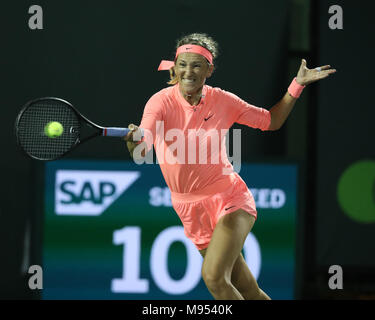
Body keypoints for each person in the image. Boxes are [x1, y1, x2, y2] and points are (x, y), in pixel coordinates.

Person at [124, 33, 336, 300]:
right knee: (248, 290)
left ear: (209, 70)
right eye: (183, 65)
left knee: (213, 278)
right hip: (188, 208)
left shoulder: (224, 100)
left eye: (197, 65)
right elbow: (142, 147)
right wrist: (135, 140)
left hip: (229, 198)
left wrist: (297, 85)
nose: (188, 71)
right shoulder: (160, 102)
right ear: (174, 68)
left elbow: (271, 121)